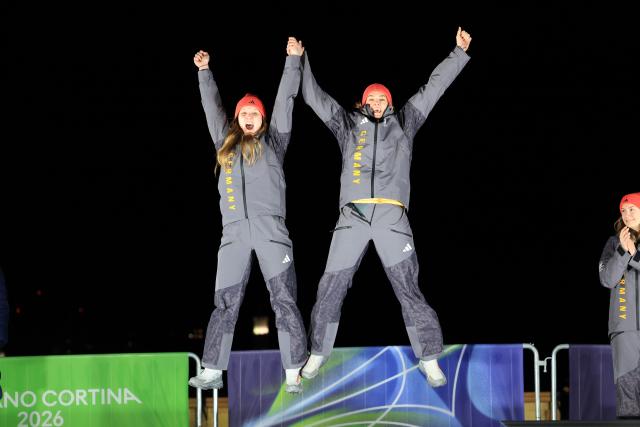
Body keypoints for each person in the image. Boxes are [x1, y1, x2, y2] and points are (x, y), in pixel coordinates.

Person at [299, 27, 472, 386]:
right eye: (372, 98)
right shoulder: (348, 125)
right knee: (331, 285)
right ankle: (317, 353)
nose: (377, 103)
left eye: (382, 99)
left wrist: (457, 53)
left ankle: (429, 359)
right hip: (354, 215)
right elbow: (315, 97)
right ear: (363, 101)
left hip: (392, 216)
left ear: (389, 103)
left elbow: (433, 88)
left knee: (408, 287)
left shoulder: (405, 123)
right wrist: (300, 61)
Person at [188, 38, 307, 393]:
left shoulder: (276, 142)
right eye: (244, 114)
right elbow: (212, 108)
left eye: (255, 113)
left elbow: (286, 99)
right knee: (224, 300)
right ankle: (212, 369)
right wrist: (204, 72)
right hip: (234, 233)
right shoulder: (225, 144)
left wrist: (293, 62)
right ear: (237, 119)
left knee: (284, 299)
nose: (250, 117)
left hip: (271, 230)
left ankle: (292, 370)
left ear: (262, 118)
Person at [599, 192, 640, 418]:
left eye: (632, 209)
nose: (626, 214)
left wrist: (635, 255)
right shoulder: (614, 243)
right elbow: (607, 279)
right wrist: (623, 252)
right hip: (624, 328)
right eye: (623, 211)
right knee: (628, 397)